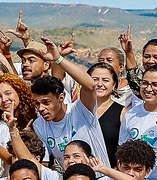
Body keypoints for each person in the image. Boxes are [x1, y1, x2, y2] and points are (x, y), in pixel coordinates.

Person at [30, 38, 110, 168]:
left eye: (46, 102)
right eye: (37, 104)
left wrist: (58, 59)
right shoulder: (39, 125)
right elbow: (45, 163)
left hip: (101, 177)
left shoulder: (80, 110)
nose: (41, 108)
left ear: (61, 97)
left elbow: (90, 85)